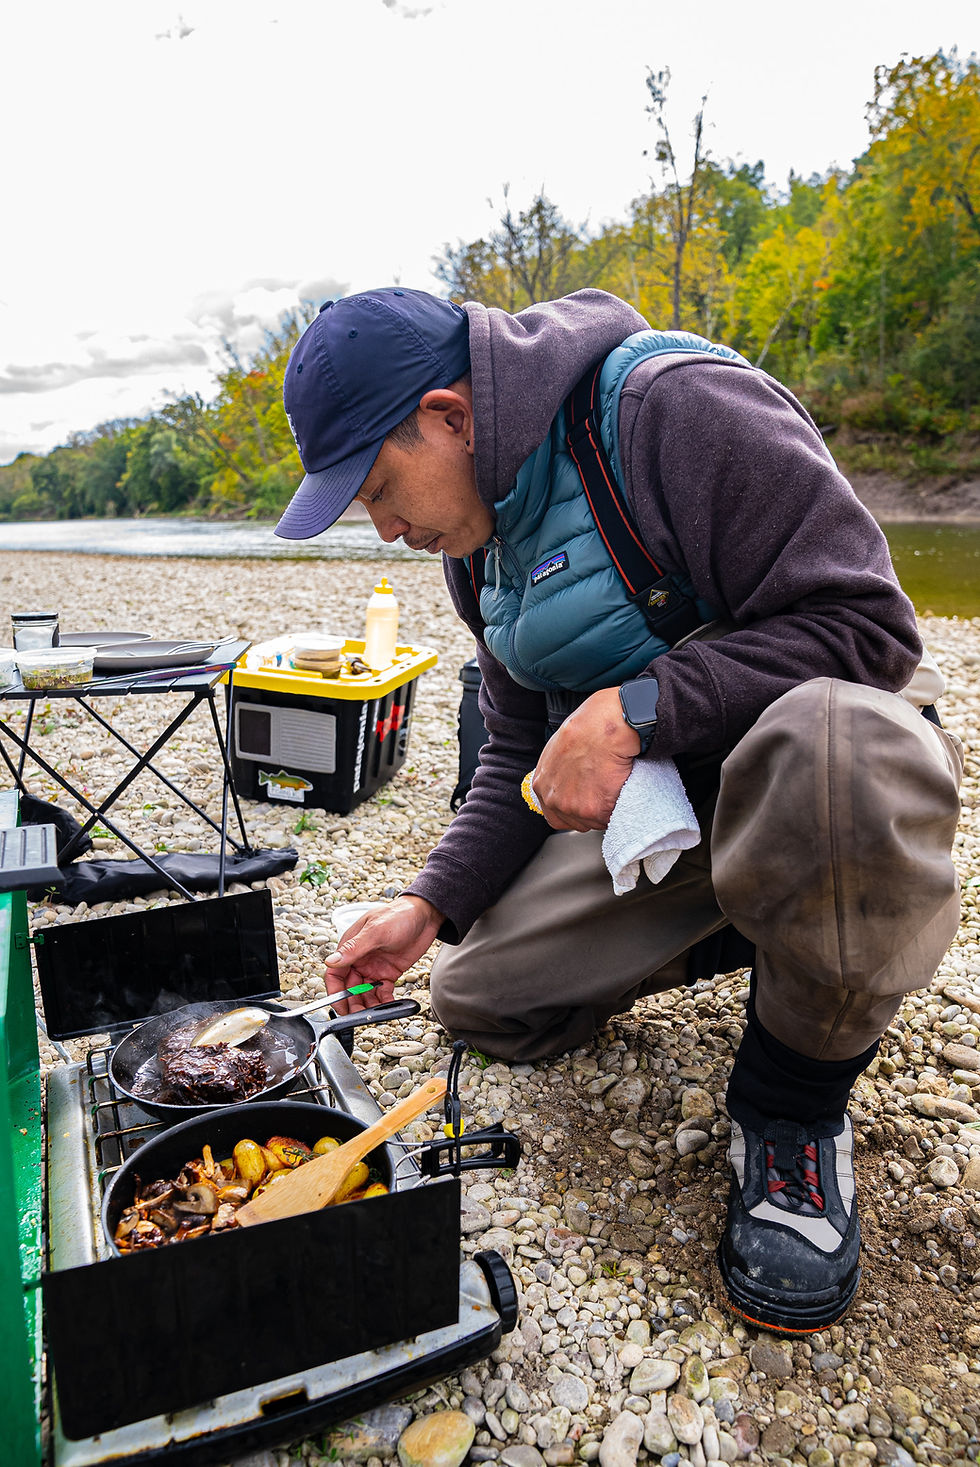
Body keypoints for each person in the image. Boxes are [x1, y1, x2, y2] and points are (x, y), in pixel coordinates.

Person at [275, 286, 963, 1335]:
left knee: (835, 745)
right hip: (674, 818)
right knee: (480, 999)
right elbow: (513, 745)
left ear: (451, 415)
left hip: (825, 777)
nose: (384, 528)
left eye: (377, 488)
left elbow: (868, 627)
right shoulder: (477, 549)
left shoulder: (668, 409)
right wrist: (429, 904)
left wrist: (638, 710)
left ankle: (791, 1106)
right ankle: (775, 924)